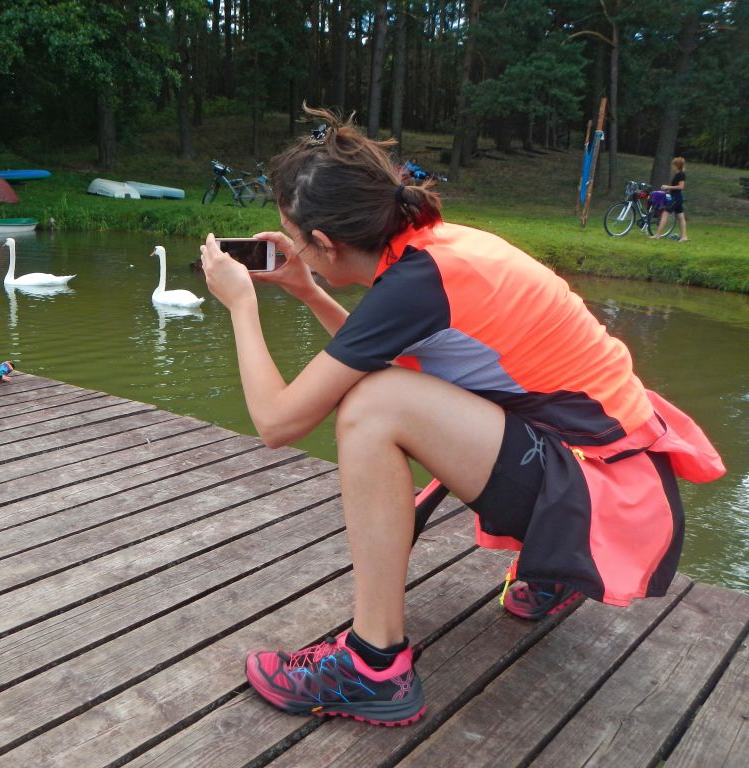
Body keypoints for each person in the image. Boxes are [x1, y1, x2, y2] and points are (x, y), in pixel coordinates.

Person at [199, 108, 724, 727]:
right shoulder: (429, 253)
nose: (301, 255)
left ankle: (373, 666)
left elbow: (277, 421)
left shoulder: (414, 284)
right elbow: (378, 362)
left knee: (373, 409)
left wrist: (240, 305)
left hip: (601, 494)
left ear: (329, 244)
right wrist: (309, 289)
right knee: (384, 391)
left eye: (300, 241)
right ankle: (551, 572)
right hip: (610, 466)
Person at [652, 156, 689, 242]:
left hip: (677, 198)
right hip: (676, 197)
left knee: (665, 214)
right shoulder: (678, 174)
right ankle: (684, 237)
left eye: (673, 165)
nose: (672, 166)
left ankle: (657, 235)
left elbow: (681, 187)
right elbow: (676, 187)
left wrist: (668, 186)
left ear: (677, 165)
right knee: (681, 217)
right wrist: (668, 189)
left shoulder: (681, 174)